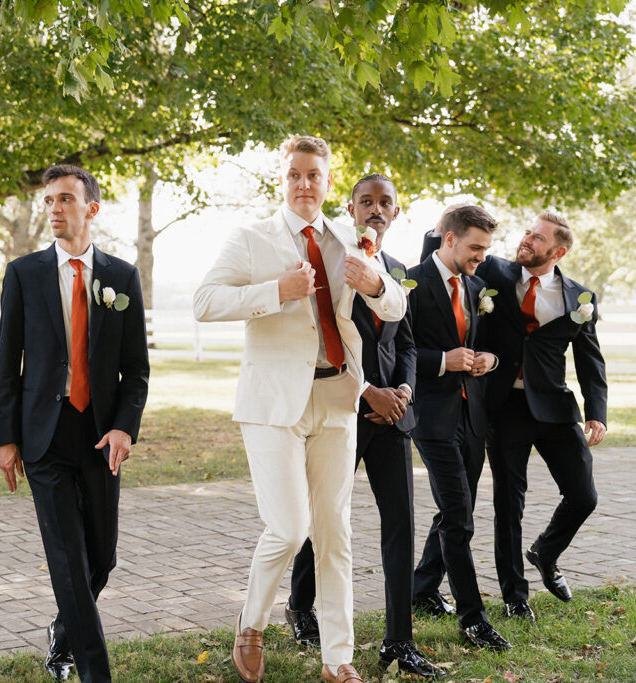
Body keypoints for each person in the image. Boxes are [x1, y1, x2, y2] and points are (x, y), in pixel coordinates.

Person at [194, 136, 406, 683]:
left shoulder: (348, 237)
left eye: (314, 175)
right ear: (281, 180)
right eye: (294, 175)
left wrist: (377, 282)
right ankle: (253, 619)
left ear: (328, 181)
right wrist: (277, 289)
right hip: (272, 404)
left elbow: (397, 304)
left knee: (335, 532)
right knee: (288, 529)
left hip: (338, 397)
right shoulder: (250, 238)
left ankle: (338, 658)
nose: (304, 184)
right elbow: (206, 302)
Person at [0, 165, 149, 683]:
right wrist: (6, 438)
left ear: (92, 208)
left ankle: (63, 633)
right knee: (66, 557)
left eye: (65, 199)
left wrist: (125, 427)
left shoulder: (121, 276)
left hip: (101, 435)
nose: (54, 209)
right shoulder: (23, 274)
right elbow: (7, 362)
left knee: (99, 559)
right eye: (49, 201)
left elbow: (136, 370)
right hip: (43, 434)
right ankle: (90, 670)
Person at [284, 174, 440, 678]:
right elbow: (325, 337)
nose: (376, 209)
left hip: (393, 416)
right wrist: (365, 389)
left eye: (385, 202)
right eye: (366, 201)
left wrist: (404, 392)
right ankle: (299, 605)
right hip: (341, 409)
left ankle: (399, 641)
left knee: (400, 527)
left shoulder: (396, 271)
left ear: (396, 211)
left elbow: (409, 344)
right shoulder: (330, 262)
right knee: (322, 518)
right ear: (350, 209)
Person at [422, 212, 606, 619]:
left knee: (583, 495)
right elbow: (439, 259)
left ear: (556, 251)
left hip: (555, 408)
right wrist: (438, 229)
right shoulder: (494, 271)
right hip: (504, 408)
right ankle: (515, 596)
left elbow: (591, 361)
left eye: (537, 238)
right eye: (526, 232)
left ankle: (545, 551)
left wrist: (597, 414)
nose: (526, 241)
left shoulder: (580, 298)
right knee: (509, 506)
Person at [407, 204, 511, 650]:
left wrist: (490, 358)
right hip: (431, 416)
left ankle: (423, 588)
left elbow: (482, 344)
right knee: (459, 517)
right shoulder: (409, 282)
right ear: (448, 239)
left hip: (472, 415)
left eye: (486, 249)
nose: (481, 257)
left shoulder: (477, 286)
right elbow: (397, 350)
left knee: (455, 509)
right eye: (474, 248)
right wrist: (440, 362)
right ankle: (473, 618)